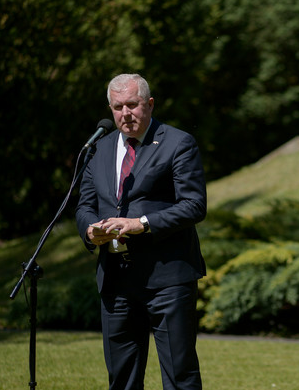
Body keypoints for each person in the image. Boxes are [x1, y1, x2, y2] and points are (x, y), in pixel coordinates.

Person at [76, 73, 207, 390]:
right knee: (121, 378)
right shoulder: (99, 150)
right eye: (118, 107)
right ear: (110, 109)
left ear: (149, 104)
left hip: (168, 280)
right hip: (116, 280)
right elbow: (84, 206)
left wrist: (141, 224)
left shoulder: (178, 143)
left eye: (132, 105)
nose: (125, 113)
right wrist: (91, 232)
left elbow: (194, 205)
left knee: (179, 375)